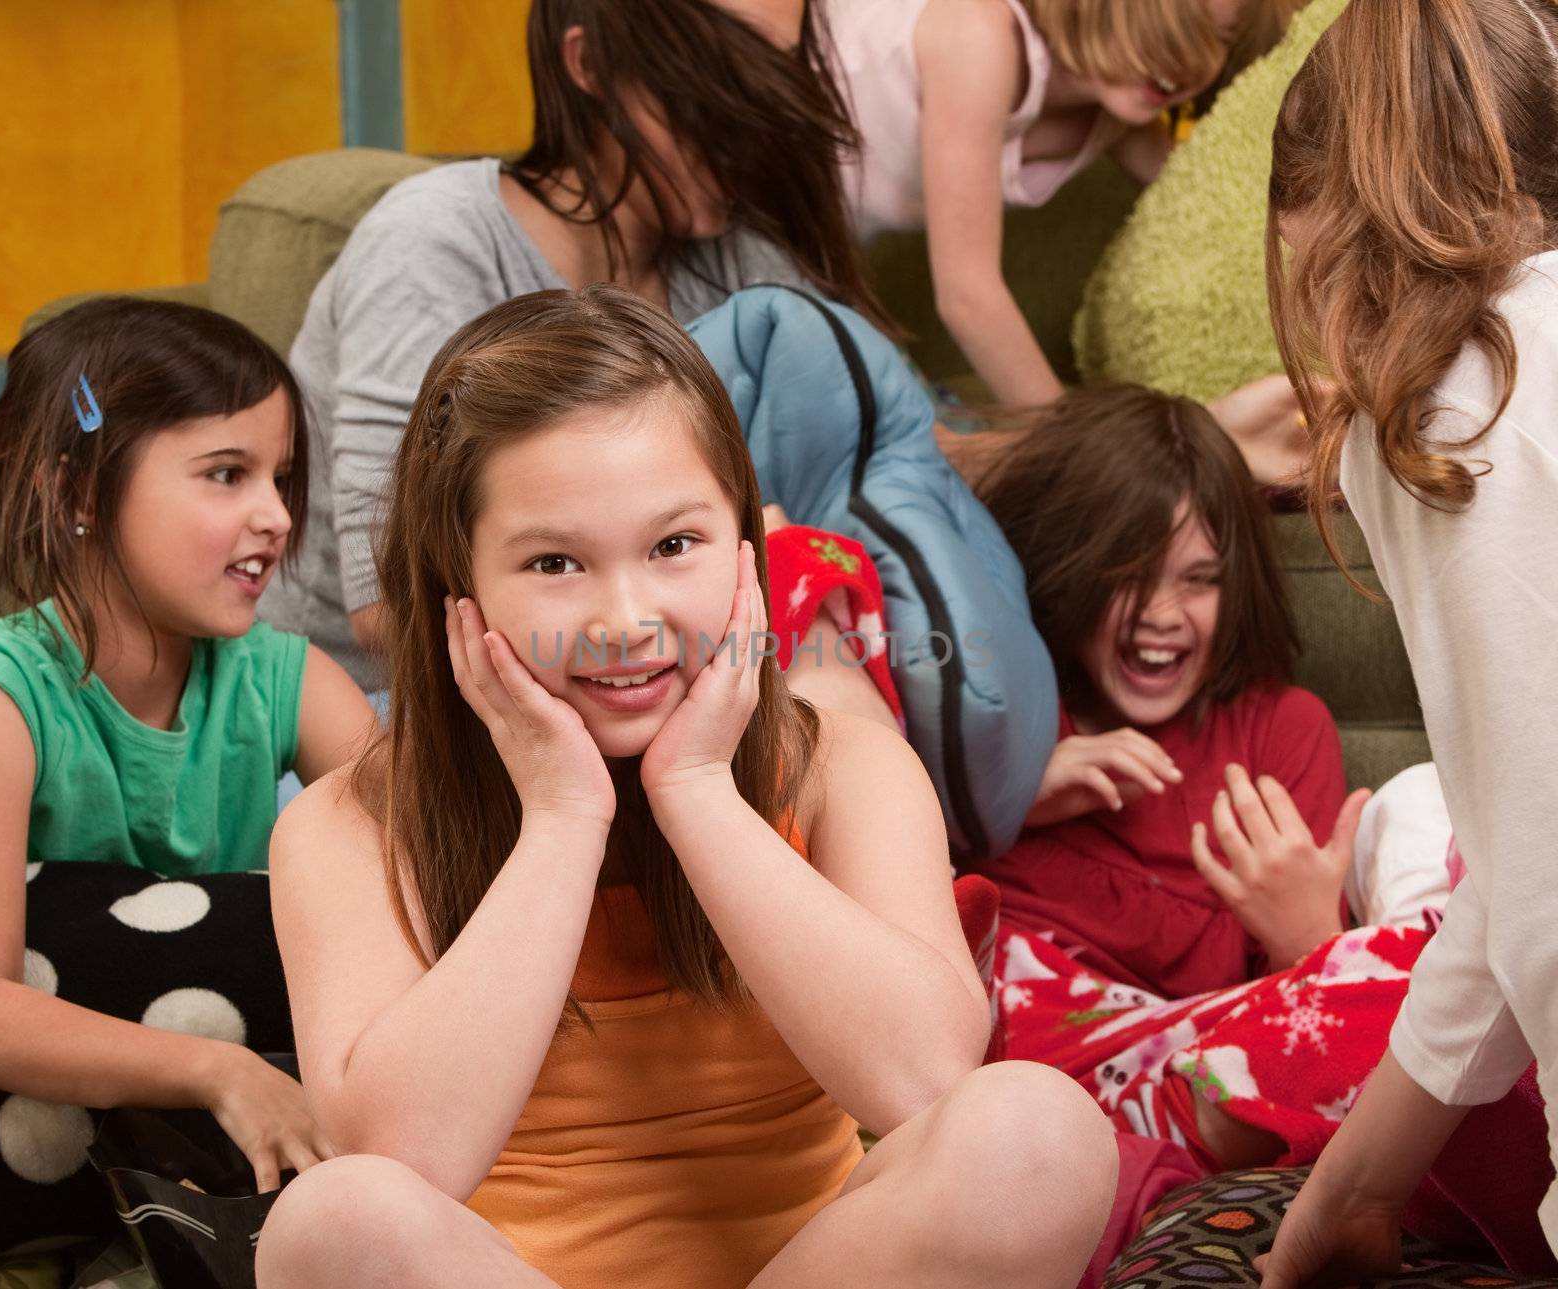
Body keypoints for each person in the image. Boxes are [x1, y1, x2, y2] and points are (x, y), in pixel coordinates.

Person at [255, 286, 1117, 1289]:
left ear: (745, 549)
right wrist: (563, 816)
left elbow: (923, 1079)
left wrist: (701, 787)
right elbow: (404, 1156)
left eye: (674, 546)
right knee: (332, 1220)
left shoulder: (841, 765)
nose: (627, 617)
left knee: (1039, 1131)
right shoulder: (351, 825)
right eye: (554, 561)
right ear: (460, 585)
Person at [260, 0, 893, 694]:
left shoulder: (739, 263)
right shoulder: (434, 242)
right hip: (405, 702)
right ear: (588, 63)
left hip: (663, 681)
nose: (752, 131)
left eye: (776, 78)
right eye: (717, 82)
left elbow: (894, 446)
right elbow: (386, 608)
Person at [950, 385, 1450, 1178]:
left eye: (1198, 578)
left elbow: (1298, 1021)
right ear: (1071, 572)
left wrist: (1309, 936)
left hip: (1192, 1064)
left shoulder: (1282, 729)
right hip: (1009, 1047)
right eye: (1126, 573)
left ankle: (1105, 1156)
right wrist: (1005, 793)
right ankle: (1070, 1153)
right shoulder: (1009, 703)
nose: (1161, 612)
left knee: (1429, 995)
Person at [0, 298, 375, 1245]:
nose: (275, 516)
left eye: (282, 478)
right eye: (227, 474)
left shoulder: (286, 679)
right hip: (46, 1103)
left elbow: (423, 855)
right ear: (76, 493)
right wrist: (217, 1070)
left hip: (215, 1104)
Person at [1255, 0, 1558, 1282]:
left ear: (1320, 224)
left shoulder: (1450, 398)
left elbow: (1541, 862)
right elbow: (1518, 833)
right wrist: (1346, 1192)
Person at [824, 0, 1297, 409]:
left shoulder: (1119, 117)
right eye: (1173, 16)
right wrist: (1080, 440)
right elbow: (968, 295)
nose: (1188, 60)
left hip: (814, 243)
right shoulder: (979, 35)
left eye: (1217, 37)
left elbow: (1222, 198)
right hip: (760, 191)